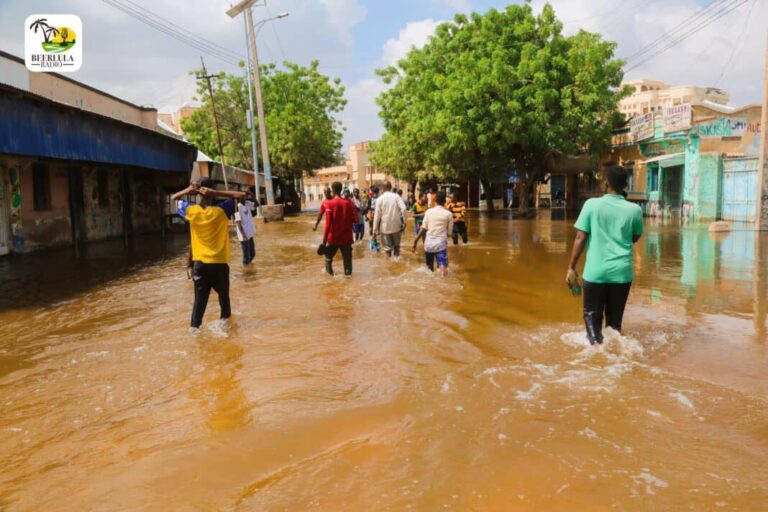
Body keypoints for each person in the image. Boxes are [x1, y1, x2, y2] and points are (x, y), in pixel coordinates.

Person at [566, 165, 643, 346]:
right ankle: (614, 355)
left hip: (596, 272)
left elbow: (580, 237)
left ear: (606, 183)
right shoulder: (634, 210)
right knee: (614, 324)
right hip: (622, 274)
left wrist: (571, 267)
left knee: (591, 317)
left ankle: (596, 350)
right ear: (625, 184)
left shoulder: (592, 205)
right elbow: (635, 237)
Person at [172, 178, 246, 329]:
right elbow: (242, 195)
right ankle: (226, 332)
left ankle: (194, 332)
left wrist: (188, 190)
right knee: (224, 301)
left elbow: (174, 198)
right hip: (219, 264)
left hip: (200, 265)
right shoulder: (222, 211)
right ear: (212, 192)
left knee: (199, 303)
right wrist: (217, 192)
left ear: (199, 192)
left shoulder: (191, 211)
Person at [413, 191, 453, 276]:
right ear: (445, 202)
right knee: (442, 266)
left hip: (428, 244)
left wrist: (415, 241)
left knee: (429, 269)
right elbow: (449, 233)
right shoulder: (449, 214)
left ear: (435, 201)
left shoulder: (428, 212)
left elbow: (423, 229)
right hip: (440, 244)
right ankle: (443, 283)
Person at [322, 181, 358, 276]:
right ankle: (348, 285)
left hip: (333, 238)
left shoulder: (329, 203)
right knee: (347, 265)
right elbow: (356, 220)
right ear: (341, 189)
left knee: (328, 259)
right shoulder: (349, 203)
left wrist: (324, 242)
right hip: (346, 238)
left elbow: (328, 224)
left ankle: (331, 281)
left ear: (332, 190)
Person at [373, 181, 407, 259]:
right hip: (396, 227)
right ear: (391, 187)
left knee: (387, 250)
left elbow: (377, 216)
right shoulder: (396, 197)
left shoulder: (380, 199)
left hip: (385, 228)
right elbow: (404, 209)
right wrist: (404, 222)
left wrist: (374, 230)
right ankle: (396, 265)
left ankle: (389, 267)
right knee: (397, 248)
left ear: (382, 189)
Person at [235, 192, 256, 265]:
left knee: (252, 254)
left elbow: (257, 204)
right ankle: (246, 271)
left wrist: (252, 194)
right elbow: (238, 222)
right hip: (243, 235)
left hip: (250, 233)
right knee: (246, 256)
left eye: (245, 196)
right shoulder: (237, 207)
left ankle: (248, 267)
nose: (245, 197)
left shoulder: (247, 203)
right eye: (243, 196)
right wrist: (243, 235)